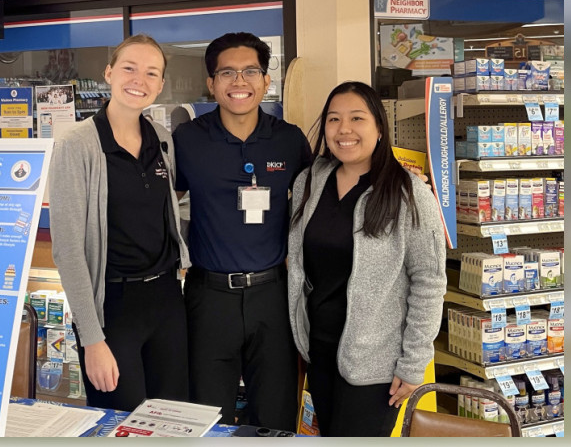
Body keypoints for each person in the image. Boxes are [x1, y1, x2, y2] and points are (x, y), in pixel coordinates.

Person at [287, 81, 446, 437]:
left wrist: (413, 362)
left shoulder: (408, 191)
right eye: (334, 119)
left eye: (357, 118)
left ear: (378, 128)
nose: (344, 130)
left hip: (377, 363)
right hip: (320, 352)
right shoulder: (308, 183)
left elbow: (429, 280)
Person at [173, 32, 311, 431]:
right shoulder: (188, 140)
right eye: (227, 72)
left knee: (276, 414)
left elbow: (319, 199)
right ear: (211, 83)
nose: (240, 81)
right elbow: (159, 201)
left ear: (266, 81)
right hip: (208, 297)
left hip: (274, 296)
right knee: (207, 416)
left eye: (251, 71)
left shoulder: (288, 140)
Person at [48, 34, 191, 412]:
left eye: (151, 73)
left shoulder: (161, 139)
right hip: (112, 308)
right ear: (109, 73)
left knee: (172, 420)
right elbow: (68, 250)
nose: (138, 80)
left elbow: (171, 208)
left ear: (160, 84)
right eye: (129, 68)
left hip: (165, 301)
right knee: (121, 424)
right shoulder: (77, 145)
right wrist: (92, 339)